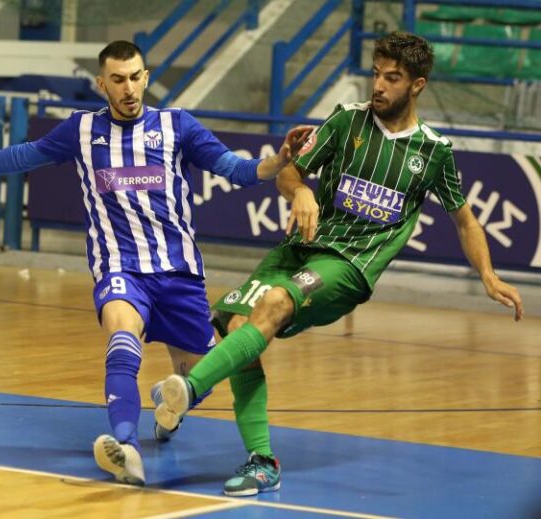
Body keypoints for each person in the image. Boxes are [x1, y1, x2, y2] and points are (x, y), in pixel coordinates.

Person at [0, 40, 310, 487]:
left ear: (145, 76)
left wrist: (278, 162)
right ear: (102, 84)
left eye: (136, 77)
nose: (129, 88)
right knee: (122, 337)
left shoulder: (177, 126)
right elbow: (21, 155)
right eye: (118, 80)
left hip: (178, 274)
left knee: (197, 382)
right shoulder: (81, 131)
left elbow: (233, 169)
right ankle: (126, 447)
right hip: (120, 268)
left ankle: (166, 404)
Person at [154, 31, 525, 497]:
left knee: (274, 303)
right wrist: (302, 189)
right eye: (376, 74)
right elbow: (290, 170)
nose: (379, 86)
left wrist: (488, 275)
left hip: (348, 267)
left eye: (393, 78)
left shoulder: (433, 152)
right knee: (232, 324)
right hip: (297, 250)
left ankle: (186, 393)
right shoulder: (346, 121)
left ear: (417, 85)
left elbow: (466, 221)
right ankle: (260, 462)